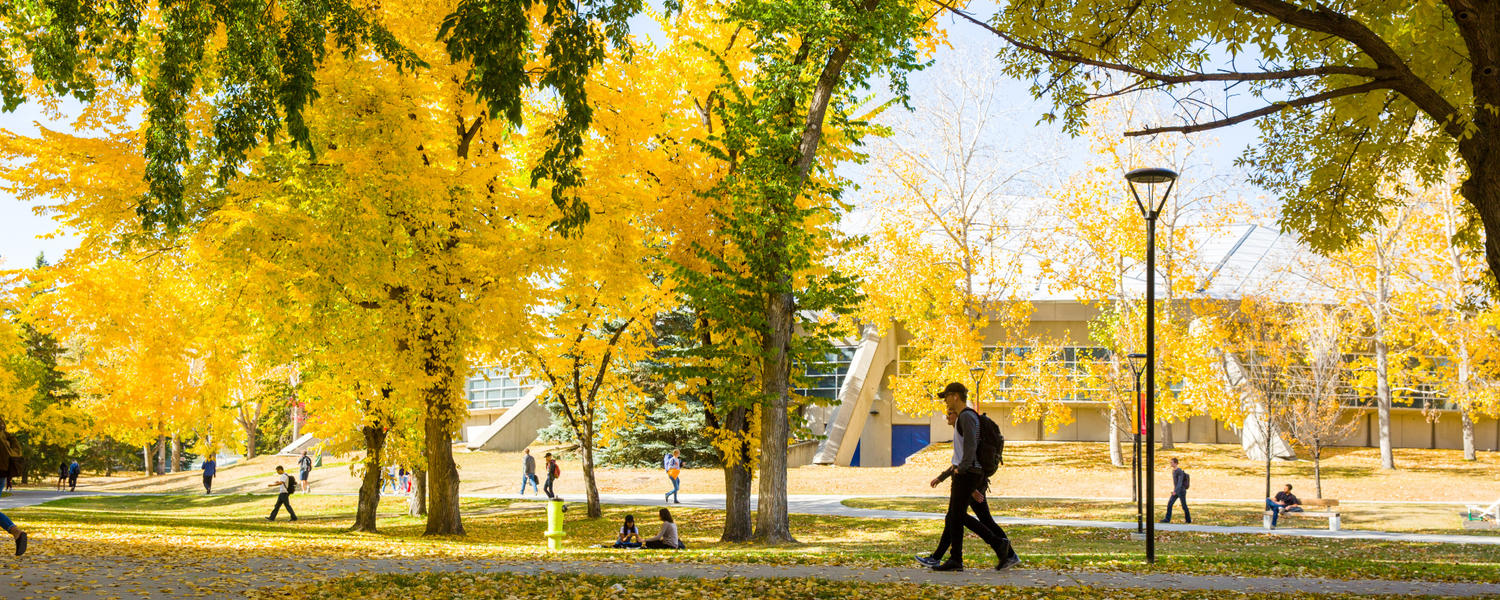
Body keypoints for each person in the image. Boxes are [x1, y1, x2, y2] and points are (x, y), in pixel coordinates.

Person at [918, 384, 1018, 572]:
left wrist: (961, 469)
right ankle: (954, 559)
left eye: (946, 397)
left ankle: (996, 545)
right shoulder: (966, 417)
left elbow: (971, 445)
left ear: (955, 396)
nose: (945, 401)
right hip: (968, 472)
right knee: (955, 517)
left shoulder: (966, 417)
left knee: (957, 516)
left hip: (968, 473)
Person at [1161, 457, 1190, 524]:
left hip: (1181, 491)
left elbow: (1180, 482)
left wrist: (1175, 491)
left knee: (1184, 505)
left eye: (1172, 462)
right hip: (1176, 490)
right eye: (1170, 462)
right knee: (1170, 504)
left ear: (1176, 463)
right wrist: (1175, 490)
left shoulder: (1179, 471)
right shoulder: (1173, 471)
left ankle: (1188, 520)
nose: (1170, 463)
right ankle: (1167, 519)